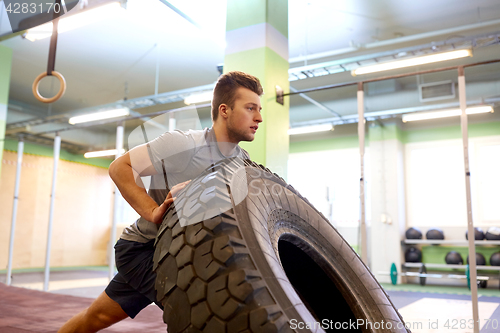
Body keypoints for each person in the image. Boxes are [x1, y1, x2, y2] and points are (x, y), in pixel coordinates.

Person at [58, 71, 264, 333]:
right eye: (250, 108)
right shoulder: (183, 145)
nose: (259, 117)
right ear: (224, 110)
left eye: (259, 110)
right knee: (206, 314)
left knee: (96, 317)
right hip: (145, 250)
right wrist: (153, 211)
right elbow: (120, 167)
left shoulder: (241, 162)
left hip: (184, 255)